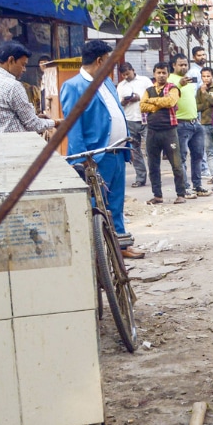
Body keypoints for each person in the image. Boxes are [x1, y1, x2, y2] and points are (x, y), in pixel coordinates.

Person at [61, 40, 144, 260]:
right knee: (97, 204)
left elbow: (115, 113)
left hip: (117, 151)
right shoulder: (74, 86)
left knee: (116, 201)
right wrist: (84, 159)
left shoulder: (106, 82)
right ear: (100, 60)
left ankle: (120, 244)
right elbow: (73, 124)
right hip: (96, 156)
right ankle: (96, 249)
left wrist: (126, 143)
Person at [0, 42, 58, 138]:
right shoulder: (12, 85)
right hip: (12, 148)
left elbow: (2, 118)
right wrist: (56, 122)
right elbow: (33, 125)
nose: (24, 69)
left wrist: (35, 118)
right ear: (11, 60)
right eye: (23, 64)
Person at [141, 72, 189, 204]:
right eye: (159, 73)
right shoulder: (148, 90)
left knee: (176, 164)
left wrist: (151, 101)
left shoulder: (173, 88)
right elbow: (142, 106)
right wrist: (159, 104)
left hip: (169, 131)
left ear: (167, 74)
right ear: (154, 74)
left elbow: (170, 101)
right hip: (152, 132)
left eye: (164, 73)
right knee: (153, 165)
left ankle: (181, 194)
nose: (161, 75)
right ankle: (157, 195)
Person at [169, 55, 208, 197]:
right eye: (181, 65)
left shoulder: (190, 80)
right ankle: (184, 188)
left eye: (185, 64)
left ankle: (197, 186)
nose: (184, 67)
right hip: (180, 124)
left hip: (195, 122)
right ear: (174, 65)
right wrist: (179, 84)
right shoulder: (170, 80)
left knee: (198, 155)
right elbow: (168, 96)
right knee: (181, 157)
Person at [116, 62, 151, 187]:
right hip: (130, 119)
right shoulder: (121, 86)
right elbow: (118, 103)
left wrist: (138, 97)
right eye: (123, 75)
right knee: (135, 151)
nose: (126, 77)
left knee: (150, 150)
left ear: (133, 70)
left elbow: (152, 95)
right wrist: (125, 101)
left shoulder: (144, 81)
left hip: (145, 119)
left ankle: (154, 177)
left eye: (127, 73)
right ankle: (140, 178)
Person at [197, 66, 213, 191]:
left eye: (208, 76)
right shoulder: (199, 90)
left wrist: (205, 94)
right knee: (208, 151)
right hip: (205, 123)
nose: (206, 78)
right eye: (203, 76)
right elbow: (197, 107)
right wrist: (206, 100)